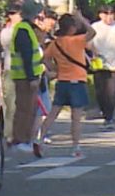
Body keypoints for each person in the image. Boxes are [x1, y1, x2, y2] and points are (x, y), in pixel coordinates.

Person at [40, 12, 96, 157]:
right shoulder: (77, 40)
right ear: (71, 28)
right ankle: (75, 146)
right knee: (76, 117)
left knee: (53, 113)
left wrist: (55, 69)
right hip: (77, 81)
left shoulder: (55, 43)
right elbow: (92, 32)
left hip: (62, 81)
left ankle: (39, 139)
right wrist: (81, 18)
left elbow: (45, 59)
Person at [8, 0, 46, 156]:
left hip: (25, 76)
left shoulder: (25, 28)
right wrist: (32, 78)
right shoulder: (24, 30)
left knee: (27, 109)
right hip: (25, 77)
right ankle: (20, 140)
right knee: (25, 109)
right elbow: (27, 55)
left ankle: (23, 139)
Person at [0, 3, 22, 147]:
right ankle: (9, 134)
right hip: (10, 70)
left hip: (22, 71)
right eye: (14, 14)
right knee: (10, 104)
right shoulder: (7, 32)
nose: (17, 16)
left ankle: (18, 133)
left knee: (20, 104)